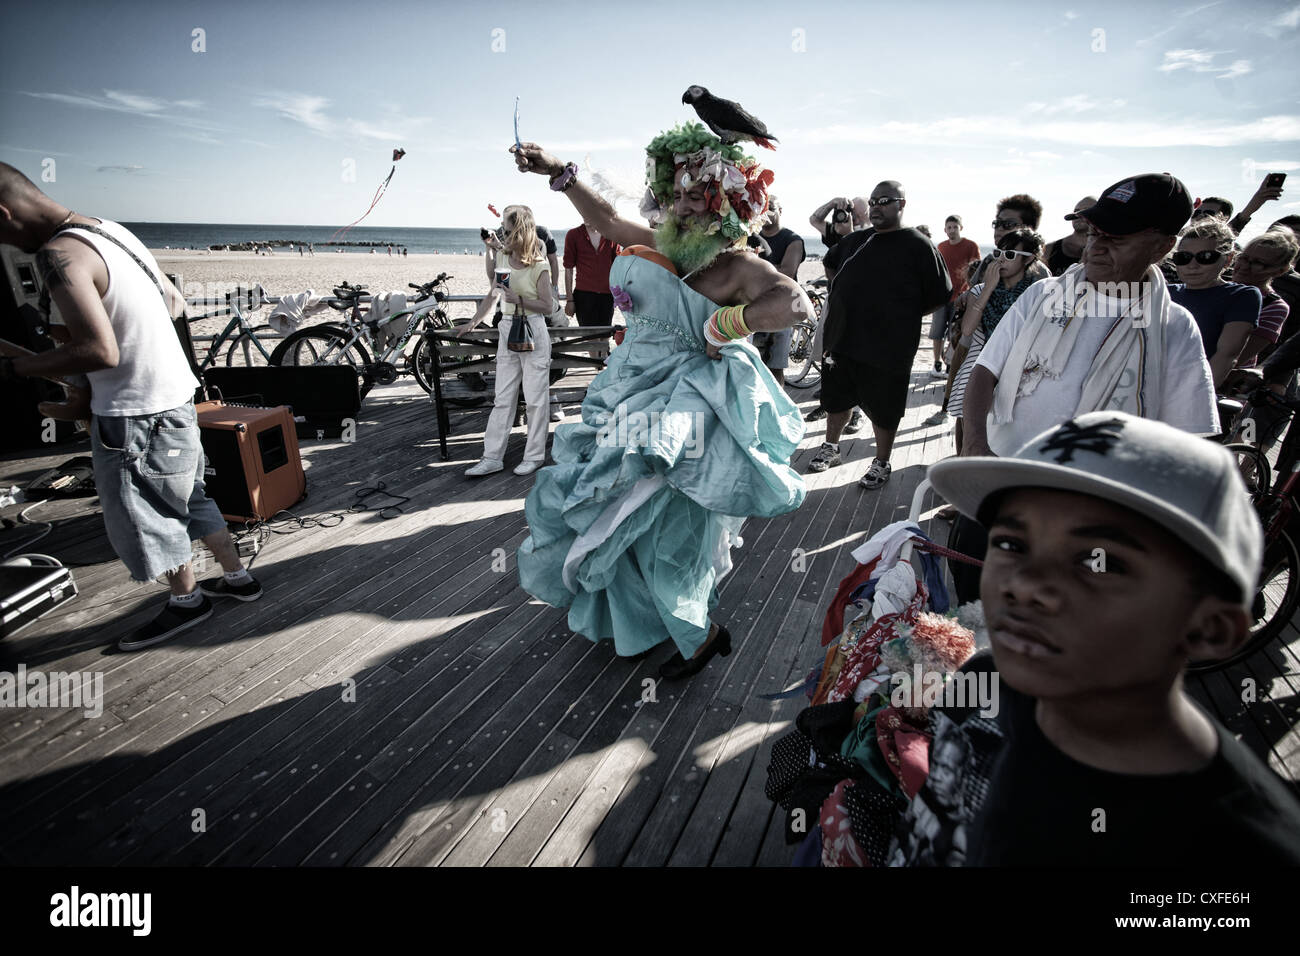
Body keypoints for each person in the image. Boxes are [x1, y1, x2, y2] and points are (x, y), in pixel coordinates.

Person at [893, 411, 1300, 866]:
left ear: (1209, 628)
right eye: (1011, 544)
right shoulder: (982, 686)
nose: (1024, 584)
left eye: (1098, 561)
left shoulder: (1246, 849)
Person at [509, 121, 808, 679]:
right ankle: (640, 623)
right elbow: (600, 217)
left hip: (683, 407)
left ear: (728, 204)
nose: (685, 204)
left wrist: (730, 322)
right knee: (609, 511)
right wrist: (559, 172)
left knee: (669, 529)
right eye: (678, 192)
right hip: (622, 393)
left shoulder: (737, 266)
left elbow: (795, 304)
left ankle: (696, 634)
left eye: (700, 194)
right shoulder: (656, 241)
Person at [0, 162, 262, 651]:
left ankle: (188, 603)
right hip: (177, 396)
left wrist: (15, 370)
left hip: (132, 413)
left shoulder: (60, 254)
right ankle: (237, 577)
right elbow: (174, 303)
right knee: (191, 498)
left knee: (148, 516)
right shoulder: (113, 232)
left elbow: (101, 352)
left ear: (4, 213)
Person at [953, 173, 1218, 605]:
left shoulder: (1173, 328)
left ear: (1162, 246)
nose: (1097, 245)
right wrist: (975, 446)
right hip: (999, 489)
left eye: (1118, 236)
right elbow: (984, 370)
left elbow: (1189, 439)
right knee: (971, 604)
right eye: (1094, 232)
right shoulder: (1042, 295)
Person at [808, 180, 952, 489]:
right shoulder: (856, 240)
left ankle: (881, 461)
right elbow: (830, 262)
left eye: (885, 201)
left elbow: (941, 293)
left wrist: (903, 316)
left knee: (885, 406)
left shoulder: (918, 244)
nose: (876, 206)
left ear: (902, 204)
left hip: (889, 345)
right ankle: (832, 447)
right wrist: (840, 296)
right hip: (843, 338)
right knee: (836, 398)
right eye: (873, 201)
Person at [459, 205, 556, 478]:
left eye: (507, 227)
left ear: (520, 230)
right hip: (507, 329)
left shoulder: (539, 265)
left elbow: (548, 306)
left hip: (533, 330)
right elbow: (493, 294)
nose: (503, 231)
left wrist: (520, 300)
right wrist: (473, 322)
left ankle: (534, 457)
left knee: (537, 400)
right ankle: (492, 457)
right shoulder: (502, 258)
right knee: (503, 398)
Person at [945, 228, 1045, 460]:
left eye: (1010, 255)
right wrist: (988, 287)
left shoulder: (1036, 294)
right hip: (979, 366)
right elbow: (968, 329)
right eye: (999, 252)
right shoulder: (980, 290)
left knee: (1006, 433)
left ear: (1028, 259)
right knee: (969, 424)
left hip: (1018, 370)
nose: (1001, 259)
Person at [1167, 216, 1261, 388]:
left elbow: (1226, 356)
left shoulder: (1242, 295)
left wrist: (1197, 399)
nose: (1192, 265)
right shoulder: (1165, 292)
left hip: (1190, 391)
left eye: (1206, 256)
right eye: (1184, 257)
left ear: (1229, 259)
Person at [746, 195, 804, 386]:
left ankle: (779, 411)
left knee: (775, 367)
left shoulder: (793, 239)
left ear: (781, 210)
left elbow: (787, 272)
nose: (767, 211)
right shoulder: (750, 236)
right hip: (751, 306)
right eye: (762, 207)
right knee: (748, 364)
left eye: (771, 207)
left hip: (781, 308)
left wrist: (753, 264)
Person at [1235, 226, 1300, 368]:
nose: (1244, 266)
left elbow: (1237, 358)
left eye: (1258, 263)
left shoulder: (1274, 307)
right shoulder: (1215, 285)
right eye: (1243, 258)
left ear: (1280, 270)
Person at [930, 215, 982, 381]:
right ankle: (937, 362)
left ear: (961, 228)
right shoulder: (941, 247)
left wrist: (971, 293)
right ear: (945, 230)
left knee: (954, 333)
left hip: (961, 298)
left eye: (955, 227)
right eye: (949, 227)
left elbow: (977, 271)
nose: (952, 230)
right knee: (937, 332)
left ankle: (950, 364)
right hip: (941, 297)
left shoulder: (970, 246)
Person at [562, 220, 621, 327]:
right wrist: (569, 300)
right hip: (584, 296)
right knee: (590, 338)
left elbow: (618, 267)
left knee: (604, 338)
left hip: (607, 295)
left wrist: (619, 294)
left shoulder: (611, 235)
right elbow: (568, 269)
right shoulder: (573, 235)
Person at [1041, 196, 1096, 276]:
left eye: (1085, 211)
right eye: (1076, 211)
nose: (1078, 215)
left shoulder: (1104, 250)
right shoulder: (1049, 249)